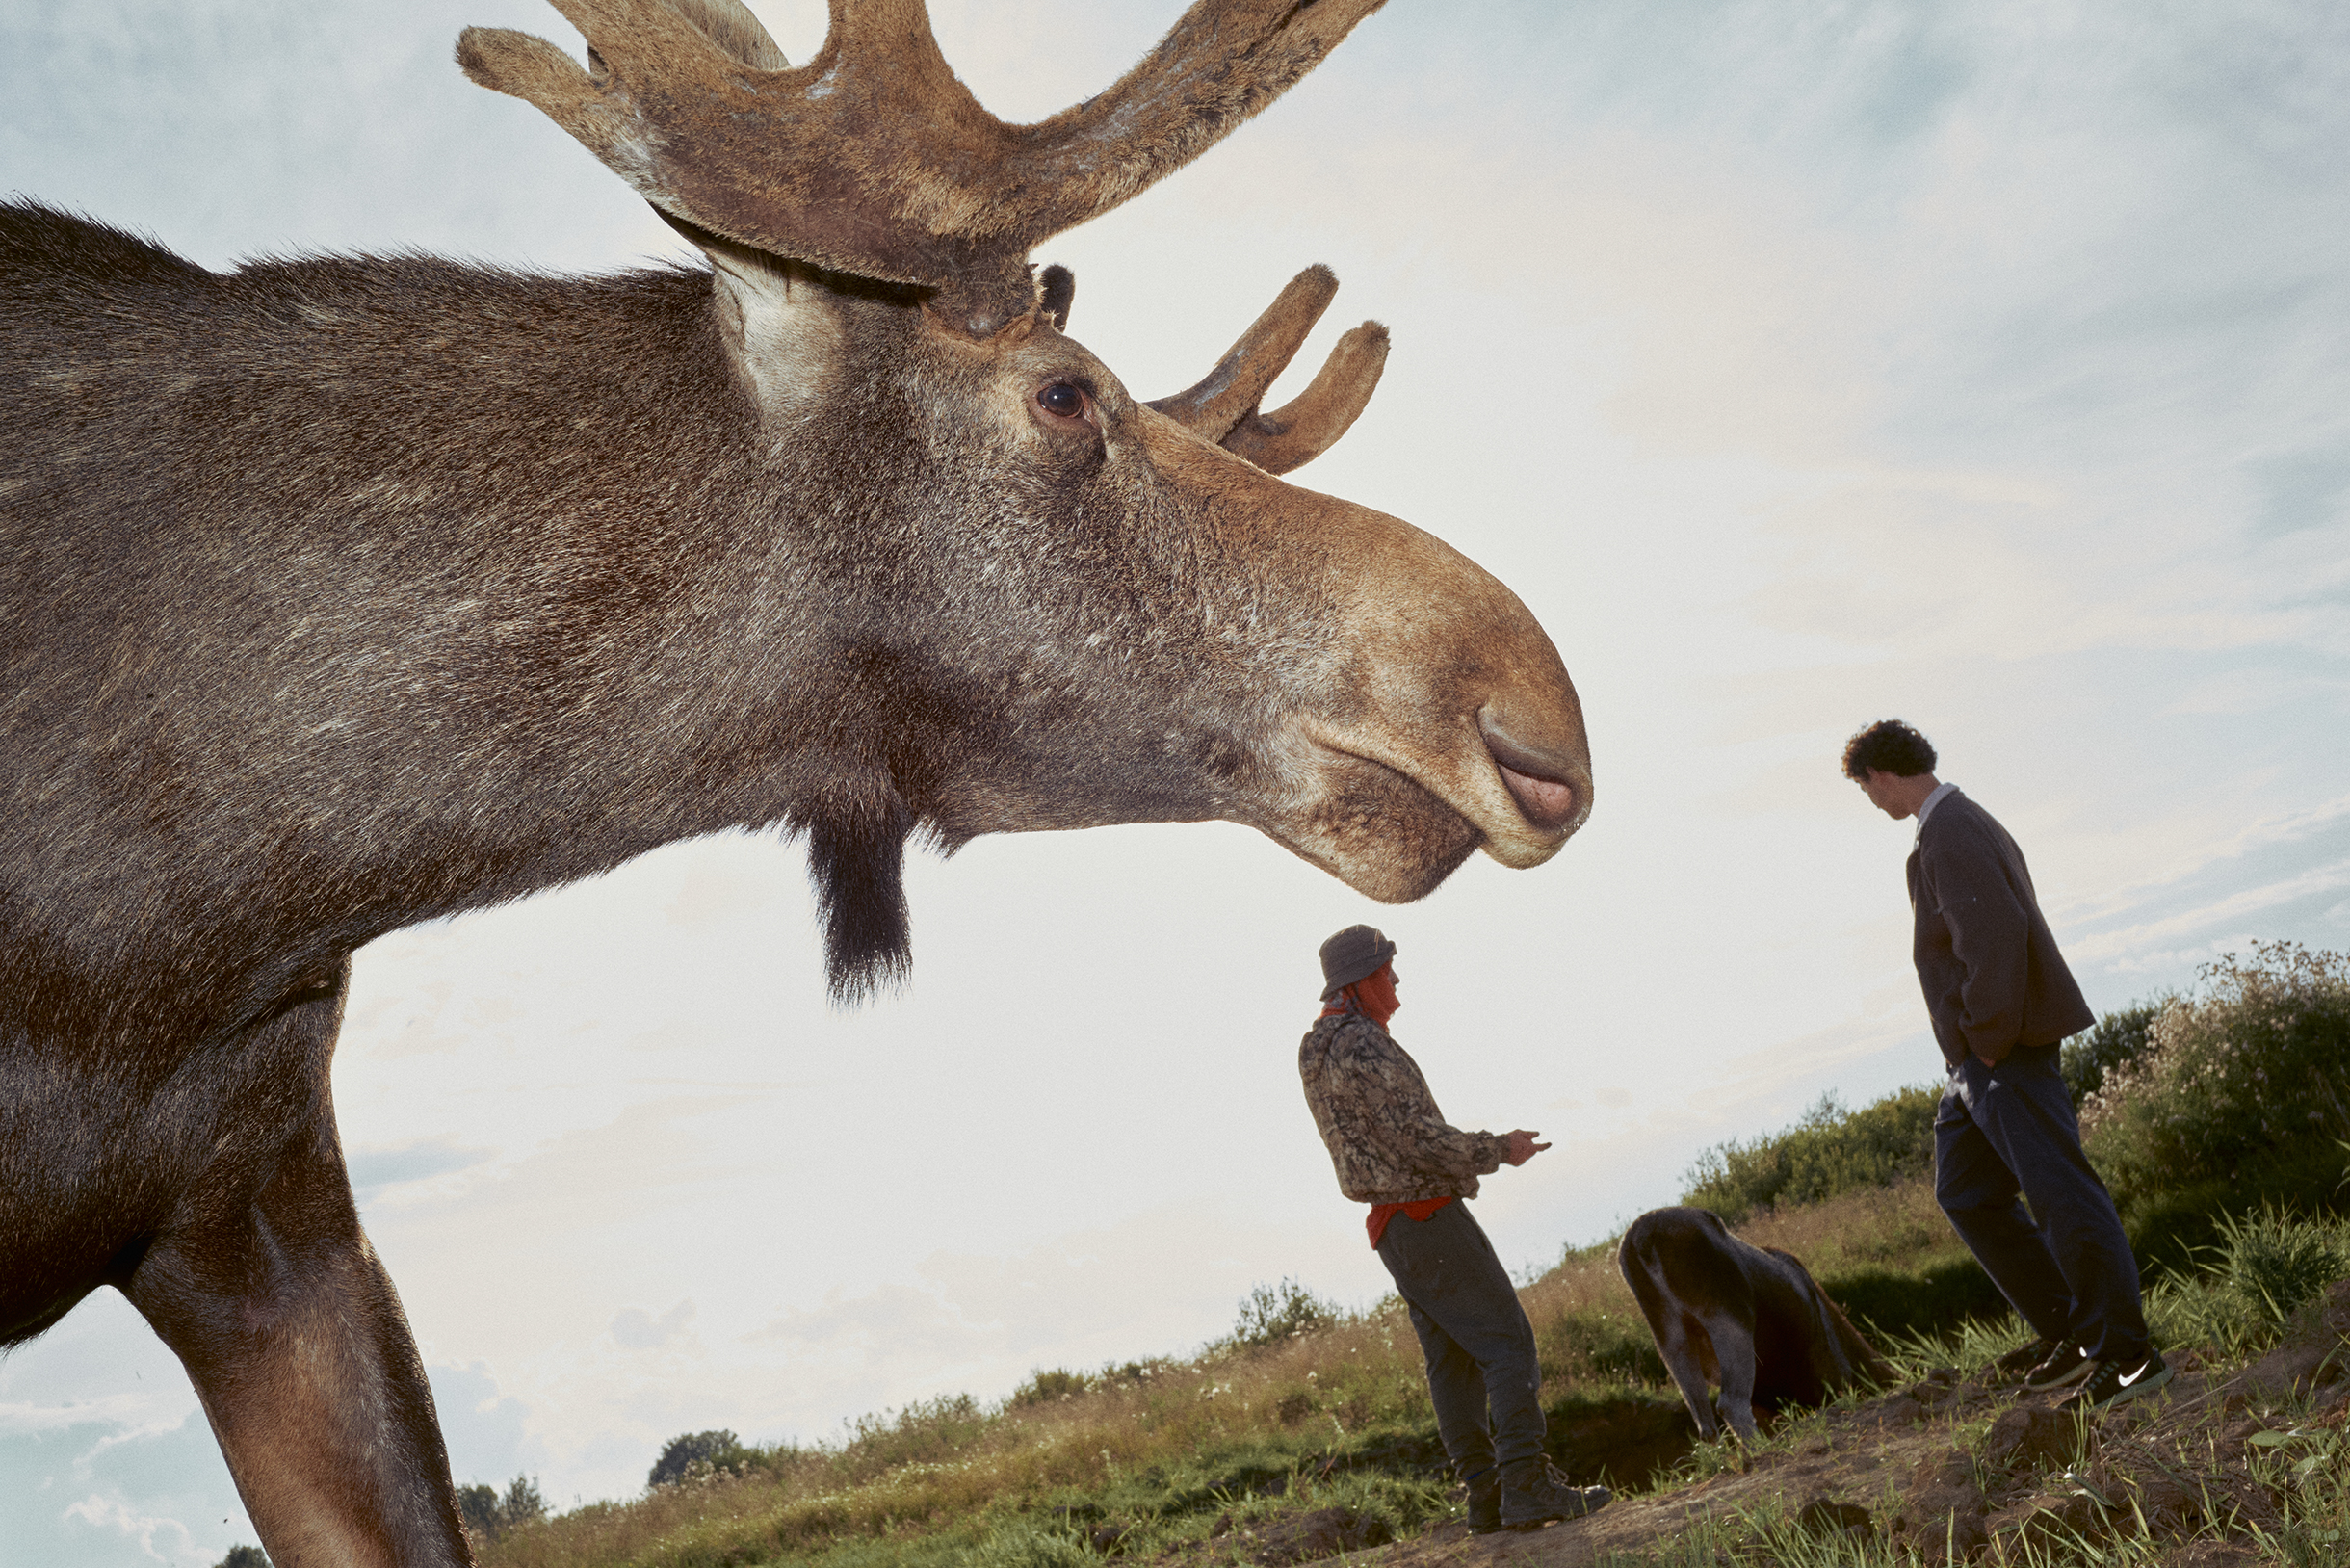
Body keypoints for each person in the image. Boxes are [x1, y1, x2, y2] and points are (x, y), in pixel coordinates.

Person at [1842, 719, 2169, 1413]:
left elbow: (1993, 939)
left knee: (2062, 1195)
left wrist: (1986, 1039)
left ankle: (2128, 1356)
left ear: (1883, 775)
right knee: (1965, 1189)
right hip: (1979, 1059)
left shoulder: (1952, 829)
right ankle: (2073, 1332)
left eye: (1866, 788)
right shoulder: (1950, 827)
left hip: (2003, 1046)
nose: (1870, 802)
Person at [1297, 925, 1611, 1534]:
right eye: (1388, 970)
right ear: (1362, 980)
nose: (1396, 980)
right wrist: (1499, 1148)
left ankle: (1486, 1497)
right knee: (1507, 1342)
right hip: (1426, 1215)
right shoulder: (1363, 1044)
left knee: (1452, 1362)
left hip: (1392, 1230)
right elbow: (1414, 1137)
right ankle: (1525, 1484)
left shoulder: (1316, 1048)